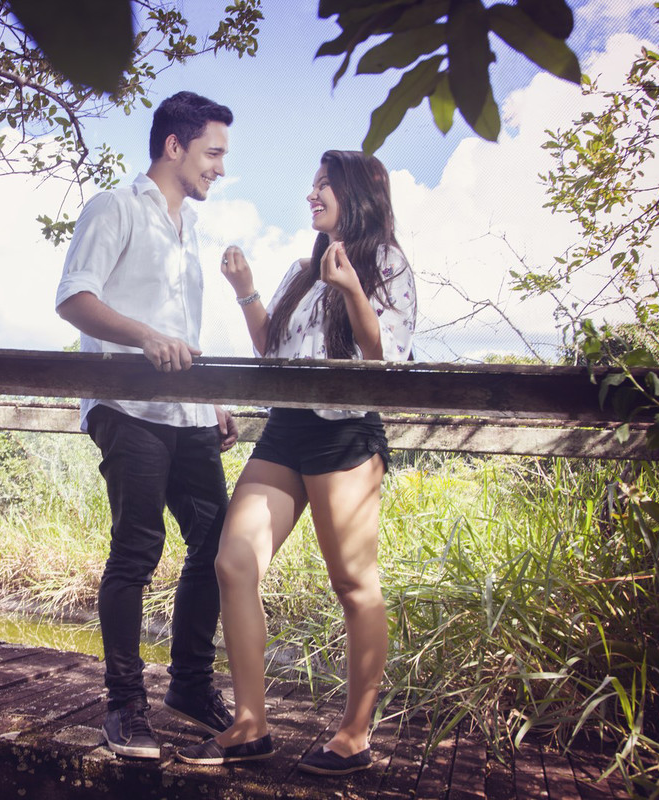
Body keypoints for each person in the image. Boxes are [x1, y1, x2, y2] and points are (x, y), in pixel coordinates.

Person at [176, 150, 416, 773]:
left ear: (357, 195)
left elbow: (381, 356)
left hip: (344, 433)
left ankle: (354, 734)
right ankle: (251, 724)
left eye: (324, 186)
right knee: (235, 562)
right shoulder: (299, 270)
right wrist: (246, 289)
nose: (312, 195)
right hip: (287, 428)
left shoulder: (386, 263)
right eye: (311, 185)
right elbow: (268, 349)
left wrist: (353, 290)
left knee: (353, 584)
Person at [55, 91, 240, 760]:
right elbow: (74, 298)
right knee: (138, 546)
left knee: (219, 542)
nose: (220, 167)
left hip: (186, 409)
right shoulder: (115, 207)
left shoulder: (189, 233)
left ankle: (190, 684)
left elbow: (183, 336)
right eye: (213, 152)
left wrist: (212, 395)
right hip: (123, 402)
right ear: (174, 146)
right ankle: (123, 707)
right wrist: (144, 337)